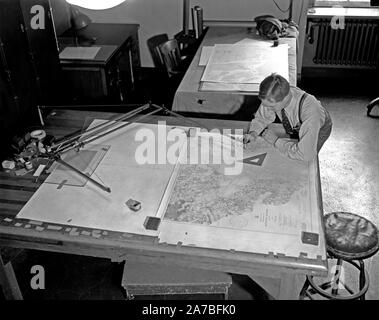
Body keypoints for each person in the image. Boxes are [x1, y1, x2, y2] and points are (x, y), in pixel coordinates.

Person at [243, 73, 332, 161]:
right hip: (298, 125)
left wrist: (276, 141)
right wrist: (253, 133)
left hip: (320, 128)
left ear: (285, 98)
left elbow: (305, 154)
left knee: (305, 161)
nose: (267, 108)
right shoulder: (273, 95)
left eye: (271, 106)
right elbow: (262, 118)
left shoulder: (311, 112)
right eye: (265, 104)